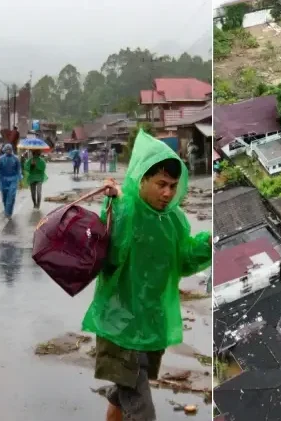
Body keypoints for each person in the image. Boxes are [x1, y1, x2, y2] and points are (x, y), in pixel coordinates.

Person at [82, 130, 211, 421]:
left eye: (173, 186)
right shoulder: (126, 208)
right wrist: (116, 202)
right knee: (142, 412)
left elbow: (183, 259)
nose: (168, 193)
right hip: (121, 326)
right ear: (142, 180)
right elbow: (112, 252)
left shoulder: (172, 219)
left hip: (151, 325)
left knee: (123, 390)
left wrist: (208, 244)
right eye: (161, 184)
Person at [0, 143, 22, 217]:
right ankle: (6, 209)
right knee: (4, 196)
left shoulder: (16, 159)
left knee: (11, 196)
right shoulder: (1, 159)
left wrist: (20, 179)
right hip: (3, 180)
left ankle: (8, 213)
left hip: (13, 179)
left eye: (10, 149)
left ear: (12, 150)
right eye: (7, 149)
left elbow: (18, 169)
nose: (8, 151)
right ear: (4, 150)